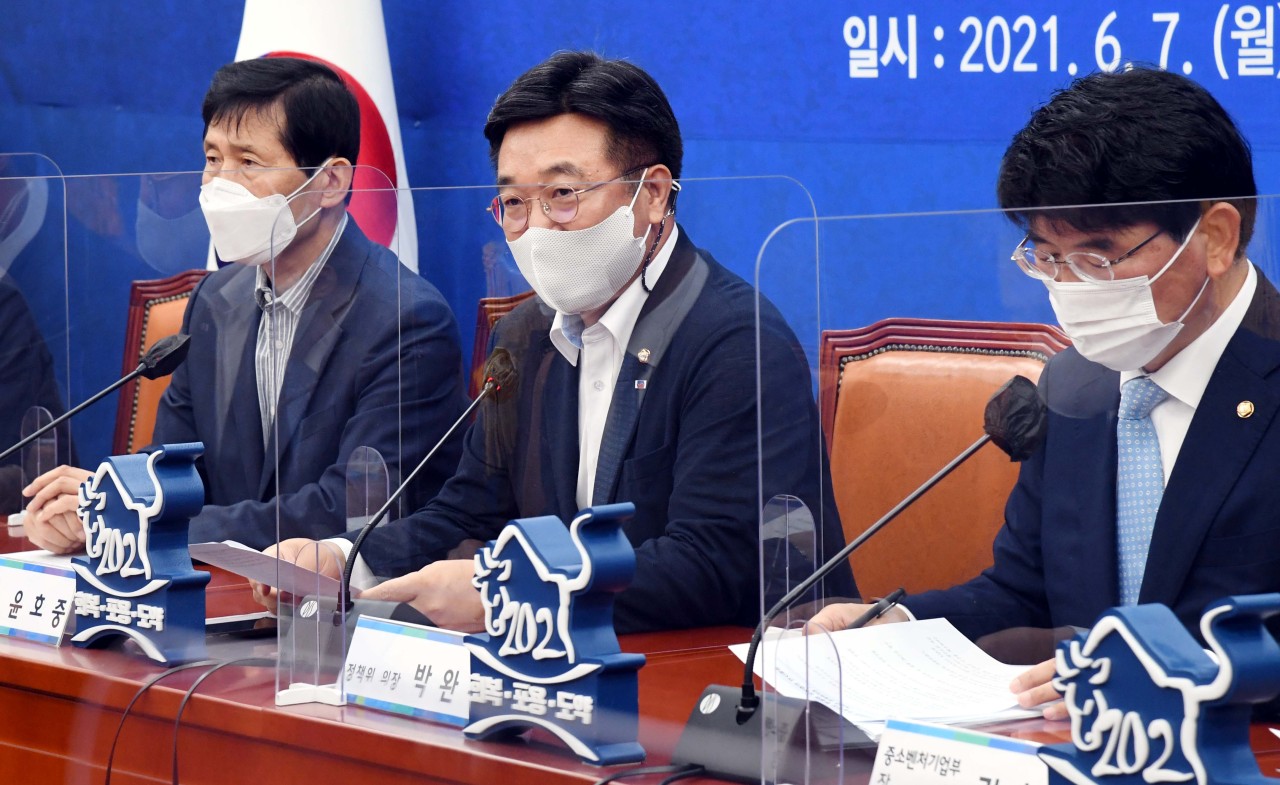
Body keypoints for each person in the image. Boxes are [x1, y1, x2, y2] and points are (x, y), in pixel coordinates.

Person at [253, 51, 856, 634]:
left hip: (730, 677)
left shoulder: (735, 341)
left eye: (562, 195)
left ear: (652, 194)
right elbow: (469, 511)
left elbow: (714, 564)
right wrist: (344, 557)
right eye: (515, 202)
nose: (536, 227)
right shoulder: (525, 336)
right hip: (568, 658)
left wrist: (505, 593)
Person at [810, 65, 1280, 717]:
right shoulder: (1074, 382)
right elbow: (1023, 595)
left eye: (1098, 256)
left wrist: (1168, 681)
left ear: (1216, 236)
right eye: (1048, 257)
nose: (1072, 288)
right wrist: (901, 624)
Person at [21, 57, 466, 551]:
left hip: (344, 606)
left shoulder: (406, 319)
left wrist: (145, 524)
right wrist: (101, 507)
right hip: (218, 596)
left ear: (331, 181)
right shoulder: (216, 300)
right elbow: (176, 465)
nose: (218, 186)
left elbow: (353, 507)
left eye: (248, 163)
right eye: (213, 160)